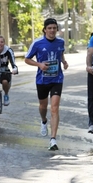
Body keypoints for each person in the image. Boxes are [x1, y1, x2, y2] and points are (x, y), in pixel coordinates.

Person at [24, 18, 69, 151]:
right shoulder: (37, 43)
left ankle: (53, 139)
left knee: (54, 108)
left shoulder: (61, 41)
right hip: (42, 80)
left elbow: (60, 53)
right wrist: (39, 64)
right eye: (49, 28)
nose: (52, 30)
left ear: (57, 29)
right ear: (45, 29)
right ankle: (44, 120)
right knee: (43, 106)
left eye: (54, 28)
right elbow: (26, 59)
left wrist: (64, 62)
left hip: (57, 79)